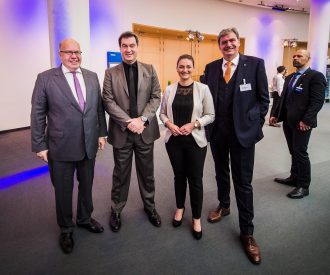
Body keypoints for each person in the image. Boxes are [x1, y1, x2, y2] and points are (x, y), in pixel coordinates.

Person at [31, 38, 107, 254]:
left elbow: (98, 109)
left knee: (87, 185)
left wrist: (101, 133)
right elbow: (37, 114)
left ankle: (84, 218)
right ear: (60, 54)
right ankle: (66, 228)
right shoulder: (46, 78)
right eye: (69, 52)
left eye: (78, 52)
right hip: (60, 146)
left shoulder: (92, 77)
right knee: (63, 190)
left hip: (88, 143)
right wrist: (39, 144)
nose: (74, 56)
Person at [204, 28, 269, 264]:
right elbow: (206, 98)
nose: (228, 45)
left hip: (244, 134)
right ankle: (224, 205)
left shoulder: (255, 64)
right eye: (223, 42)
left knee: (243, 182)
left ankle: (247, 233)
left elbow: (264, 100)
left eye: (232, 40)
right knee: (221, 172)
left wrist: (255, 124)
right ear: (219, 45)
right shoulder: (211, 68)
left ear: (238, 43)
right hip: (218, 132)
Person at [102, 31, 162, 232]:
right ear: (120, 48)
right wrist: (129, 122)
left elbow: (155, 97)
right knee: (121, 174)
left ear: (137, 47)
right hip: (122, 131)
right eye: (124, 46)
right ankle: (117, 210)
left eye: (131, 45)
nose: (128, 49)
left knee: (147, 174)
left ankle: (150, 207)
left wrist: (142, 120)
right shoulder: (111, 73)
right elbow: (108, 101)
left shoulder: (150, 69)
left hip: (144, 132)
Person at [159, 54, 215, 240]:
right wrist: (169, 125)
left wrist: (194, 124)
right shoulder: (169, 89)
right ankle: (180, 208)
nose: (185, 70)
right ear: (177, 68)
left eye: (188, 67)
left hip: (195, 142)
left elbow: (210, 115)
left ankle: (197, 218)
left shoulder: (203, 88)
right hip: (174, 141)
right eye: (181, 66)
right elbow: (162, 114)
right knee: (179, 177)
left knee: (196, 180)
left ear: (193, 68)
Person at [270, 49, 326, 199]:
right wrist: (275, 114)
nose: (295, 58)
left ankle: (303, 186)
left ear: (308, 58)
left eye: (299, 56)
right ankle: (294, 178)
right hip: (289, 121)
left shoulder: (316, 76)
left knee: (301, 153)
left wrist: (307, 120)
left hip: (302, 123)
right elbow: (283, 99)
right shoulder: (289, 77)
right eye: (294, 56)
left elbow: (317, 101)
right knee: (293, 151)